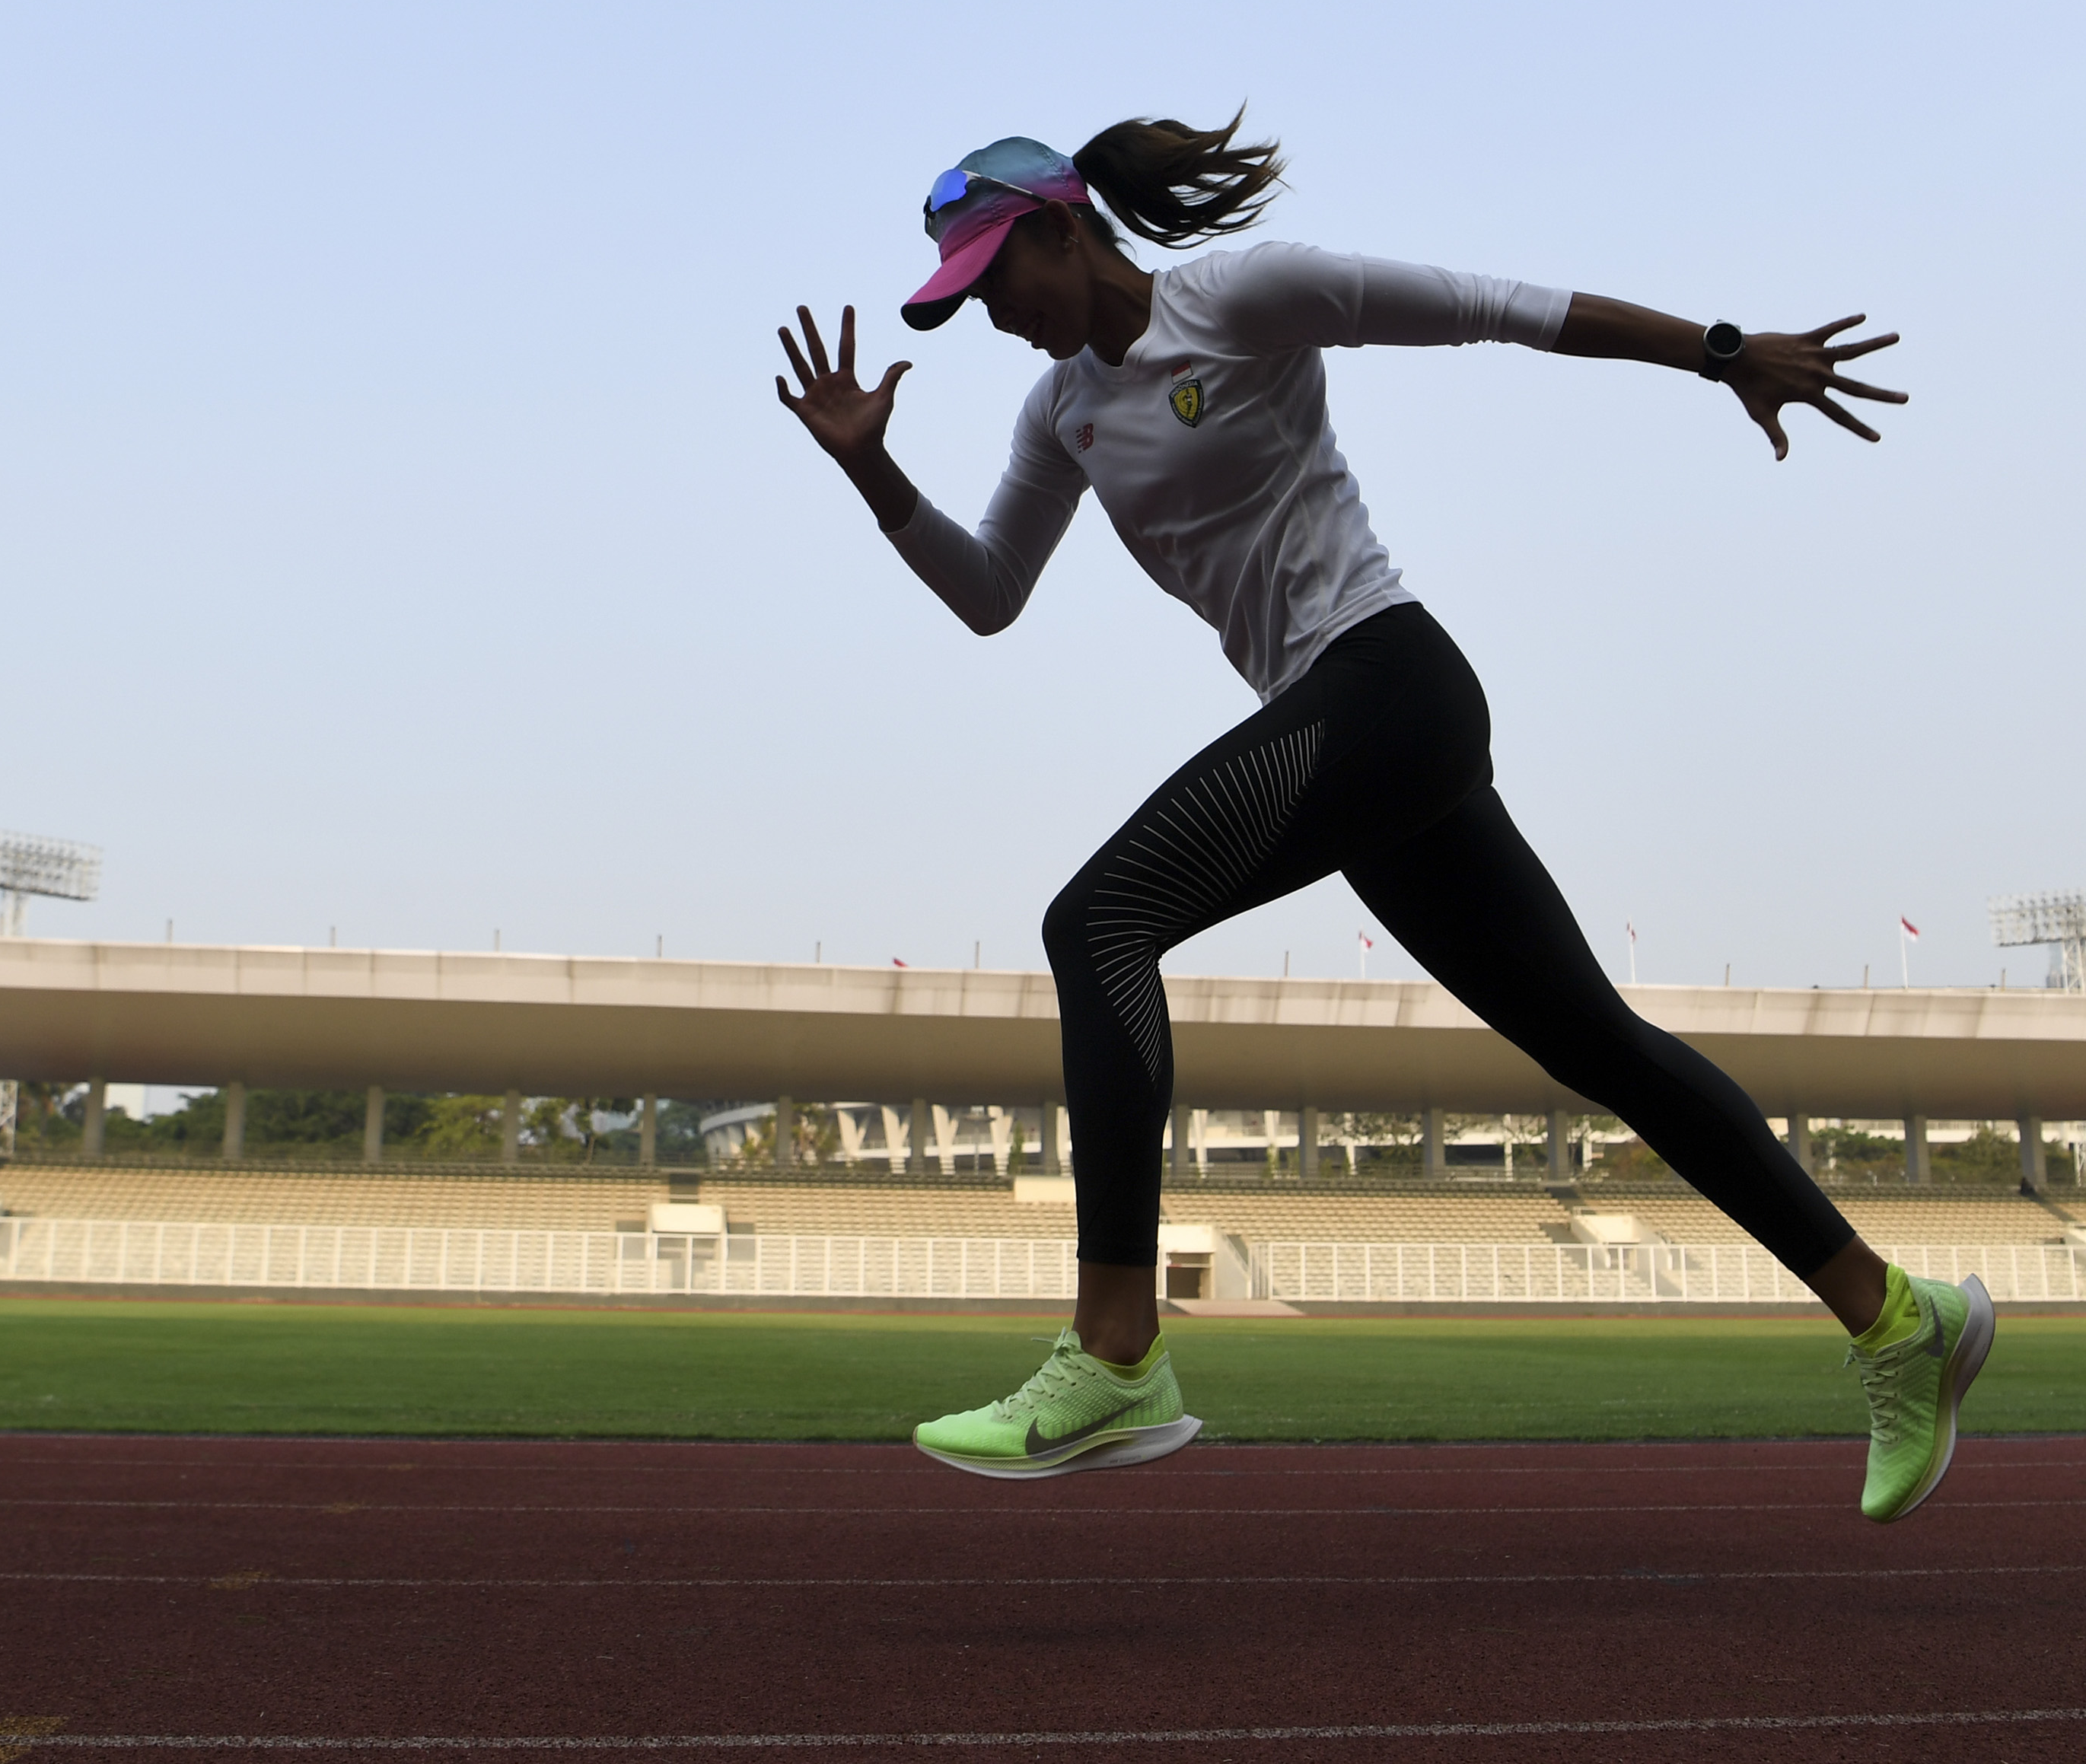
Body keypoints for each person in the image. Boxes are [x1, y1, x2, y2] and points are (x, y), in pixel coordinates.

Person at [773, 117, 1992, 1521]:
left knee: (1099, 919)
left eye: (1001, 278)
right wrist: (871, 469)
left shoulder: (1235, 294)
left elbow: (1498, 311)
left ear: (1066, 224)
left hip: (1391, 681)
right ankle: (1897, 1317)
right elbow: (991, 591)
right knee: (1603, 1045)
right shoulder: (1060, 412)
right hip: (1353, 745)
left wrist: (1722, 353)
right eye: (969, 300)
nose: (995, 314)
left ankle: (1115, 1351)